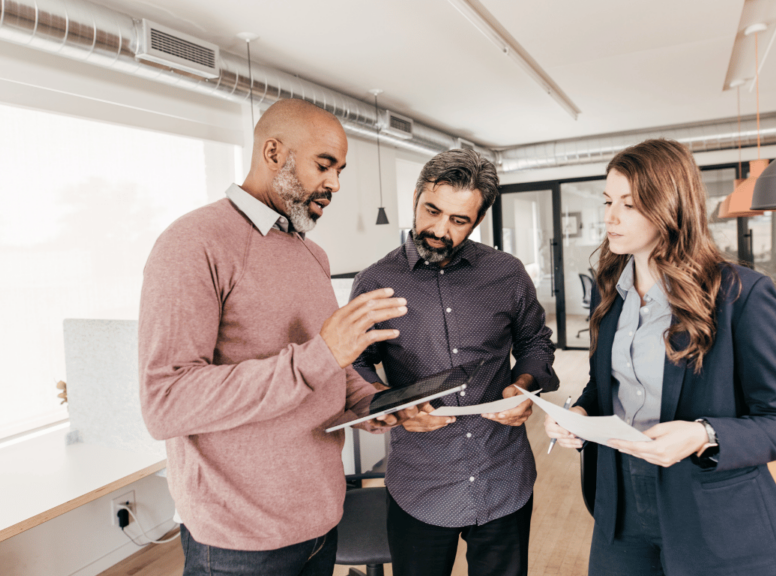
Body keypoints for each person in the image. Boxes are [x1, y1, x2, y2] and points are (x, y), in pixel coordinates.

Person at [138, 99, 412, 576]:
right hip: (238, 541)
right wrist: (320, 355)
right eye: (324, 165)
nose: (335, 184)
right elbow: (166, 401)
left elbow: (331, 368)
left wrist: (373, 404)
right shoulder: (194, 243)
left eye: (340, 170)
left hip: (322, 520)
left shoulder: (313, 255)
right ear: (272, 153)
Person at [544, 139, 776, 575]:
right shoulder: (610, 289)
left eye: (628, 204)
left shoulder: (739, 294)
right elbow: (605, 384)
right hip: (620, 504)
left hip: (710, 513)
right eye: (608, 201)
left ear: (670, 205)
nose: (609, 217)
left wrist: (702, 434)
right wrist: (578, 413)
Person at [351, 149, 559, 576]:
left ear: (477, 220)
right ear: (415, 197)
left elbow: (536, 342)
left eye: (458, 220)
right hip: (420, 482)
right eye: (431, 210)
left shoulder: (507, 273)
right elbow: (354, 365)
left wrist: (524, 385)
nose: (439, 229)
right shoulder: (374, 282)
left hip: (504, 475)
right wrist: (390, 403)